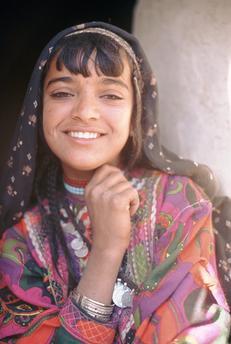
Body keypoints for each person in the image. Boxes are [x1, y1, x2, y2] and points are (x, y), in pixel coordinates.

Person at [0, 21, 230, 343]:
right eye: (63, 92)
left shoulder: (178, 204)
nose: (86, 112)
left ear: (137, 113)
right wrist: (107, 250)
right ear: (39, 110)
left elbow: (197, 333)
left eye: (110, 94)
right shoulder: (21, 244)